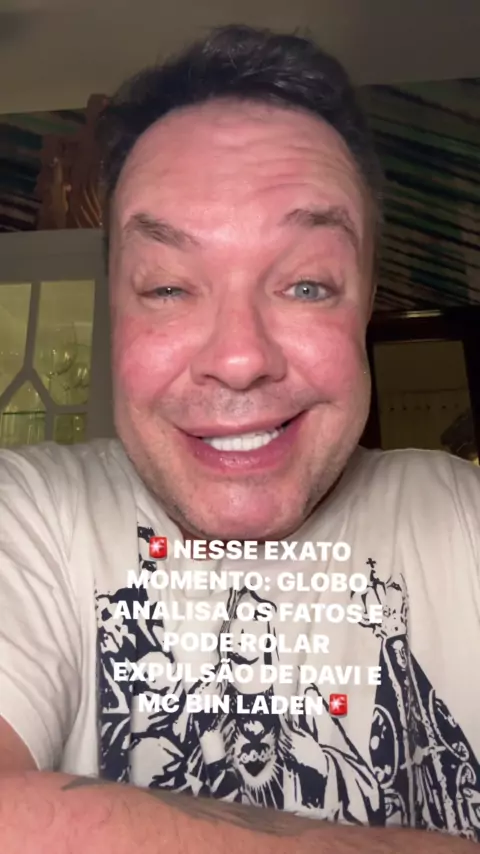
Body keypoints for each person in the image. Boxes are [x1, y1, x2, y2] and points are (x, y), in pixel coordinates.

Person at [0, 23, 478, 854]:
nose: (239, 358)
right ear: (114, 307)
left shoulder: (465, 523)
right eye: (167, 287)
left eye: (306, 284)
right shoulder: (27, 518)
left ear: (366, 300)